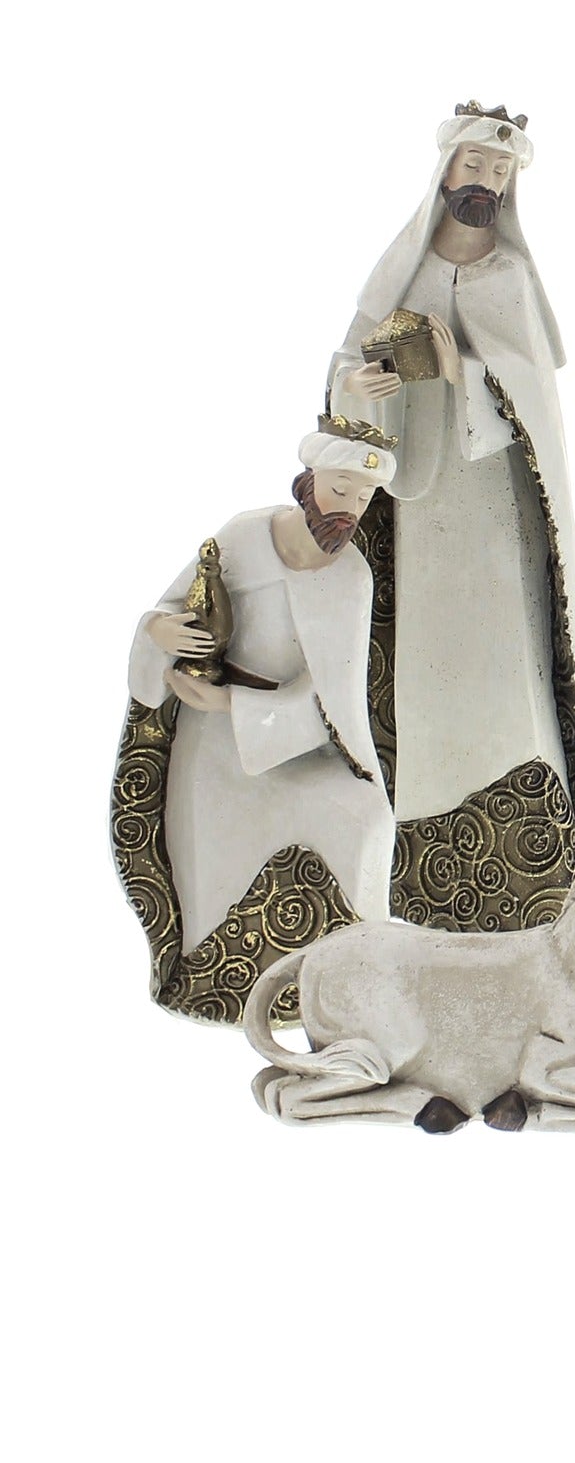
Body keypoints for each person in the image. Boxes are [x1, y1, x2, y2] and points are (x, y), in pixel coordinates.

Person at [327, 101, 575, 932]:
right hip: (419, 506)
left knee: (505, 660)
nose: (486, 182)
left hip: (496, 506)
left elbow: (536, 399)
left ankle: (532, 847)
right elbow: (346, 365)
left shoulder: (510, 277)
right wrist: (358, 388)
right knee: (427, 667)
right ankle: (421, 850)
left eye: (500, 171)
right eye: (475, 165)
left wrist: (464, 373)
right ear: (445, 171)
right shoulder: (401, 269)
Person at [114, 422, 397, 1021]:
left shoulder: (351, 579)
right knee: (215, 870)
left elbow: (333, 698)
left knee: (365, 816)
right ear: (308, 482)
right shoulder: (244, 536)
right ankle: (213, 983)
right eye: (340, 490)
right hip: (214, 746)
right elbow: (170, 609)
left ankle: (352, 975)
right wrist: (162, 632)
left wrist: (239, 707)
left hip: (287, 739)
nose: (349, 510)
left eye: (363, 498)